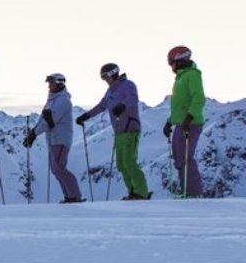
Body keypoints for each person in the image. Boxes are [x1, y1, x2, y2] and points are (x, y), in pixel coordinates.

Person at [76, 63, 150, 200]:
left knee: (129, 162)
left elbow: (133, 99)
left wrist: (122, 106)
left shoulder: (128, 85)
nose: (104, 80)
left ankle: (142, 192)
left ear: (112, 74)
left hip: (130, 128)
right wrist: (86, 116)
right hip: (119, 132)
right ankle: (132, 192)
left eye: (105, 76)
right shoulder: (110, 91)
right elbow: (101, 106)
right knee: (121, 164)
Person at [23, 73, 84, 203]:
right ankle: (69, 196)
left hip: (61, 139)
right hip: (52, 139)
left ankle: (75, 196)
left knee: (59, 168)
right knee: (56, 169)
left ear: (59, 83)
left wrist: (34, 134)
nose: (49, 86)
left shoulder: (63, 101)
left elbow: (51, 121)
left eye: (51, 83)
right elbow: (43, 119)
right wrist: (33, 133)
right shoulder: (52, 100)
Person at [163, 46, 206, 198]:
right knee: (179, 157)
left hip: (191, 123)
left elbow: (198, 98)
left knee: (186, 157)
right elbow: (180, 105)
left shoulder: (192, 76)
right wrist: (170, 122)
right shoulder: (181, 78)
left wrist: (190, 117)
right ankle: (187, 191)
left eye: (172, 63)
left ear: (180, 61)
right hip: (181, 123)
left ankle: (194, 193)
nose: (171, 67)